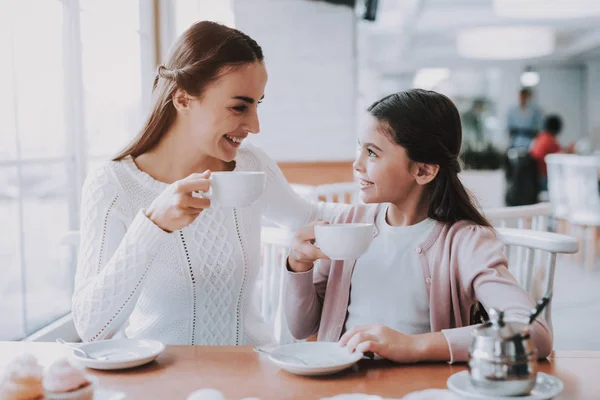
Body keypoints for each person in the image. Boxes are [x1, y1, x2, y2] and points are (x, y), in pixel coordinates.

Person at [72, 21, 344, 346]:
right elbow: (91, 327)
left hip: (254, 374)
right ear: (183, 99)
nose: (255, 126)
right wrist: (152, 226)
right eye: (239, 106)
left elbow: (311, 215)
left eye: (258, 104)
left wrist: (400, 207)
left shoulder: (250, 164)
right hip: (165, 383)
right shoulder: (113, 184)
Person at [283, 89, 552, 364]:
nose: (357, 164)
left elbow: (534, 332)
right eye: (360, 149)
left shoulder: (465, 241)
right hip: (344, 385)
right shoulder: (347, 225)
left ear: (423, 170)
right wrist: (298, 266)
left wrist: (414, 346)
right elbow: (302, 328)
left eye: (372, 153)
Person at [530, 114, 574, 191]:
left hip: (535, 176)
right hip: (544, 177)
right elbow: (559, 156)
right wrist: (570, 150)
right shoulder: (550, 140)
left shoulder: (541, 137)